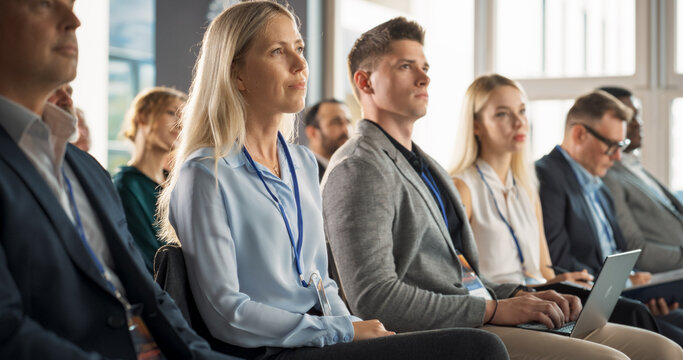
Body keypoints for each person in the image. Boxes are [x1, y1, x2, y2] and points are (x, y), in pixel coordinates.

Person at [156, 2, 509, 360]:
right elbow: (227, 315)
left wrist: (359, 328)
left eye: (300, 48)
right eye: (278, 51)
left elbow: (321, 284)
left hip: (322, 338)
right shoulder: (205, 174)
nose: (299, 64)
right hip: (269, 352)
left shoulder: (302, 163)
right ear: (237, 75)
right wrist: (342, 330)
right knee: (479, 349)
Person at [321, 17, 683, 359]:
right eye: (405, 66)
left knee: (664, 351)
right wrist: (495, 308)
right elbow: (375, 299)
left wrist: (526, 294)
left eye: (425, 67)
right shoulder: (360, 166)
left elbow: (460, 275)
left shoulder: (425, 165)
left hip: (479, 309)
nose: (424, 79)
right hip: (442, 332)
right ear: (365, 83)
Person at [0, 0, 238, 359]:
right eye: (43, 4)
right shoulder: (126, 181)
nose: (74, 20)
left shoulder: (85, 168)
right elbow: (7, 331)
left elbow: (150, 293)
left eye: (72, 4)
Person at [536, 89, 683, 346]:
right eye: (612, 146)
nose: (617, 157)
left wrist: (634, 279)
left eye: (622, 146)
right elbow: (559, 264)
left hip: (621, 296)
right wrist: (620, 285)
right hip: (587, 305)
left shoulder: (600, 186)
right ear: (579, 134)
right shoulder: (547, 177)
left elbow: (617, 250)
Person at [450, 74, 593, 286]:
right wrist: (543, 287)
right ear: (476, 126)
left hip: (538, 304)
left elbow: (545, 271)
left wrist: (562, 282)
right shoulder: (463, 187)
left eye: (522, 111)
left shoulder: (527, 188)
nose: (519, 122)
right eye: (502, 114)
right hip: (500, 310)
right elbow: (461, 280)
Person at [598, 86, 683, 273]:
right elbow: (634, 248)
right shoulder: (609, 177)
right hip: (665, 276)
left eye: (638, 115)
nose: (638, 124)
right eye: (628, 118)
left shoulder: (636, 166)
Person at [113, 87, 186, 274]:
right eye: (172, 113)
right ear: (142, 117)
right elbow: (146, 260)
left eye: (184, 116)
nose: (180, 124)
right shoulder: (126, 185)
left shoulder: (178, 183)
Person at [303, 99, 351, 181]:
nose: (346, 130)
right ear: (312, 133)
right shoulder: (303, 173)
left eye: (348, 122)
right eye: (336, 122)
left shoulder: (350, 170)